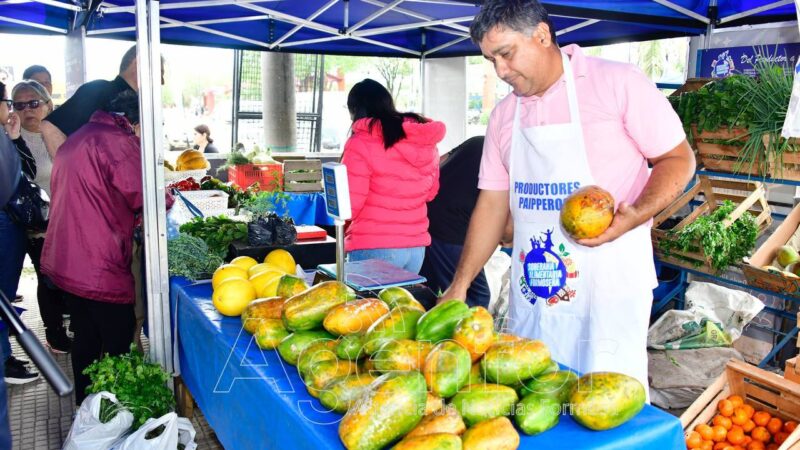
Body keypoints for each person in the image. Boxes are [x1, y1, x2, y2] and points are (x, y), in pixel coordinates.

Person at [440, 0, 695, 391]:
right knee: (536, 398)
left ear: (542, 35)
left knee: (605, 404)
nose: (501, 71)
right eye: (491, 60)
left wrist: (637, 213)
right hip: (537, 289)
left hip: (608, 289)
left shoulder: (618, 83)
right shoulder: (504, 116)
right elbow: (491, 204)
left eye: (506, 54)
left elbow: (678, 159)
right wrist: (459, 286)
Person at [41, 90, 155, 404]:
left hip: (68, 260)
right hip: (98, 263)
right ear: (134, 122)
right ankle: (119, 410)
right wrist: (166, 195)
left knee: (86, 337)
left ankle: (86, 406)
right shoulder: (117, 142)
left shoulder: (79, 138)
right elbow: (145, 195)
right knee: (119, 337)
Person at [341, 78, 445, 274]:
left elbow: (348, 206)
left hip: (374, 246)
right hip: (416, 248)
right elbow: (431, 193)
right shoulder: (423, 141)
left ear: (355, 109)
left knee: (367, 306)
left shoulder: (361, 142)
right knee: (399, 305)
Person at [12, 80, 71, 353]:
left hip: (69, 219)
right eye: (19, 105)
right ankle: (55, 334)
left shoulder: (63, 131)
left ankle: (71, 324)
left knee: (67, 277)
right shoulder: (12, 140)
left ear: (48, 104)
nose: (28, 111)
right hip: (38, 227)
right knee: (47, 279)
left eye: (33, 103)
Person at [40, 45, 165, 157]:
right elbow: (50, 128)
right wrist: (75, 175)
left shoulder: (142, 104)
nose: (162, 81)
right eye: (160, 72)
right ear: (139, 63)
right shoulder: (99, 91)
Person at [420, 136, 491, 308]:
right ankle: (460, 333)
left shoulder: (477, 141)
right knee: (476, 295)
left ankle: (423, 328)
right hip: (452, 228)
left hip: (425, 218)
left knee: (426, 290)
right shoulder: (505, 155)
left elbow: (440, 161)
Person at [0, 82, 40, 385]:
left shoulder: (5, 137)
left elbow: (28, 171)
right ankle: (3, 361)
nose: (13, 109)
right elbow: (15, 184)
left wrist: (13, 138)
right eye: (9, 102)